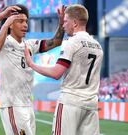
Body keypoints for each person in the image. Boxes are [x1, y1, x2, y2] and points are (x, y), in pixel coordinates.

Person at [0, 4, 65, 135]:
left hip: (28, 104)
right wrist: (1, 18)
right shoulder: (2, 43)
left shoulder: (29, 45)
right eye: (20, 21)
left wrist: (61, 25)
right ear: (10, 24)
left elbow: (55, 42)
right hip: (13, 104)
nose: (25, 25)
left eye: (26, 21)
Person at [24, 4, 104, 135]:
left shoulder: (71, 42)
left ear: (75, 23)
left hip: (71, 102)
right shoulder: (97, 46)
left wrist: (32, 64)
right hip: (91, 104)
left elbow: (56, 73)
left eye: (65, 21)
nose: (63, 25)